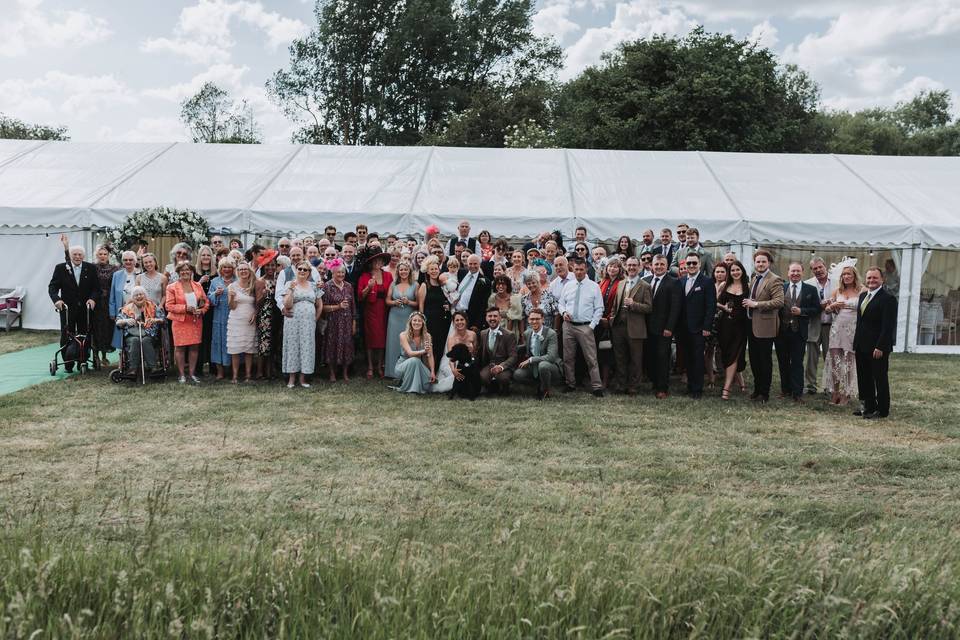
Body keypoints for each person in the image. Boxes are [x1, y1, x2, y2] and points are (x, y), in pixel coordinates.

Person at [853, 267, 898, 419]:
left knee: (879, 378)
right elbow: (861, 322)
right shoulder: (863, 296)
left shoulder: (888, 299)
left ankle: (882, 410)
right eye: (869, 278)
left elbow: (888, 326)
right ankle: (869, 407)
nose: (871, 280)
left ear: (882, 280)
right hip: (861, 345)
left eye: (875, 278)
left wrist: (880, 346)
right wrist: (856, 343)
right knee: (864, 377)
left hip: (877, 347)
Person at [558, 257, 604, 397]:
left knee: (591, 358)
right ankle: (570, 383)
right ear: (573, 269)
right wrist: (564, 312)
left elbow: (599, 308)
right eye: (576, 269)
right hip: (568, 326)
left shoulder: (594, 286)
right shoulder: (568, 285)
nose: (578, 272)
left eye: (581, 269)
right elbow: (561, 303)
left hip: (585, 326)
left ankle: (596, 386)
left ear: (586, 269)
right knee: (568, 357)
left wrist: (592, 326)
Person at [775, 262, 820, 402]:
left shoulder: (810, 290)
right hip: (781, 331)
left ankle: (797, 392)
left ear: (802, 272)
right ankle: (785, 390)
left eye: (798, 271)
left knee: (797, 362)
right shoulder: (781, 288)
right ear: (788, 273)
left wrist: (802, 311)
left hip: (799, 332)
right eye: (792, 271)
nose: (795, 273)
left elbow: (816, 309)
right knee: (783, 362)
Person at [48, 244, 98, 371]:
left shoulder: (90, 268)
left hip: (85, 309)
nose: (77, 256)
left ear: (84, 256)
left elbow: (96, 288)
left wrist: (92, 298)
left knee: (85, 333)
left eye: (80, 254)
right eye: (74, 254)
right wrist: (57, 300)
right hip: (67, 308)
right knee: (67, 333)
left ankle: (83, 360)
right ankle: (68, 363)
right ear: (70, 255)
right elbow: (52, 287)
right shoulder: (61, 268)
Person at [743, 250, 783, 403]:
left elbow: (779, 302)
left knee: (764, 361)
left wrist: (756, 304)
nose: (760, 264)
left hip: (766, 327)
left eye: (763, 262)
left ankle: (764, 393)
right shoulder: (754, 278)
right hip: (752, 325)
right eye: (758, 262)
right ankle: (757, 389)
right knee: (754, 360)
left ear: (769, 263)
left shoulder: (774, 279)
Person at [610, 256, 652, 395]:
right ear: (625, 267)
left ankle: (634, 386)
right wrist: (612, 318)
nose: (632, 268)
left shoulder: (645, 286)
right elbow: (615, 304)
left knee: (636, 359)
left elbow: (649, 308)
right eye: (629, 265)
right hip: (619, 327)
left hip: (636, 328)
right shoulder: (621, 283)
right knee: (620, 358)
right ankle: (621, 385)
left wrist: (634, 305)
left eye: (634, 265)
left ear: (639, 267)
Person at [824, 263, 862, 406]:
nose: (846, 277)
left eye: (849, 274)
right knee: (835, 361)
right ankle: (835, 392)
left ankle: (847, 393)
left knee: (849, 362)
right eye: (844, 275)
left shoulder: (861, 290)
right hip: (837, 329)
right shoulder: (837, 291)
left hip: (852, 329)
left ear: (854, 276)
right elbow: (827, 310)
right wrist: (832, 306)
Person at [678, 253, 716, 399]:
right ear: (685, 265)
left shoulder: (706, 282)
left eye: (694, 263)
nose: (692, 266)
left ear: (699, 264)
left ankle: (697, 389)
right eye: (689, 264)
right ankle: (690, 386)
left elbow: (711, 306)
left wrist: (707, 327)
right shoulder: (681, 281)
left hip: (699, 328)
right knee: (687, 358)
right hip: (683, 328)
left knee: (698, 359)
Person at [165, 262, 208, 383]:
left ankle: (192, 373)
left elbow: (206, 302)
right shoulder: (171, 287)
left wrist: (202, 310)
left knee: (194, 348)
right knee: (180, 348)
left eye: (188, 270)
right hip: (180, 321)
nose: (185, 272)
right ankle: (181, 375)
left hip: (195, 321)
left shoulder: (198, 286)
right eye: (182, 270)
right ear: (178, 272)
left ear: (192, 272)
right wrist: (185, 308)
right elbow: (168, 306)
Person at [282, 261, 322, 388]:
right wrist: (291, 290)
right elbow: (287, 304)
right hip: (292, 321)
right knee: (293, 346)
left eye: (305, 270)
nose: (302, 271)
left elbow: (319, 305)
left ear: (309, 273)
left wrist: (315, 319)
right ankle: (291, 379)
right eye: (300, 269)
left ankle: (303, 378)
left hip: (309, 323)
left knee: (307, 347)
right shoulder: (290, 284)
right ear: (296, 270)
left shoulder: (314, 286)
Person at [646, 255, 681, 399]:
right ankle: (654, 382)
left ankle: (662, 388)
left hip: (664, 329)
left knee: (662, 357)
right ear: (652, 266)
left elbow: (675, 308)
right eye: (656, 264)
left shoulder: (673, 282)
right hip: (647, 328)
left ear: (667, 266)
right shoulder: (646, 281)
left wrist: (670, 328)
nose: (659, 267)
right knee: (651, 357)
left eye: (662, 264)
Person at [716, 260, 750, 400]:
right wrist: (724, 308)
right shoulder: (724, 285)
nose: (735, 272)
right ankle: (741, 383)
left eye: (738, 270)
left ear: (742, 271)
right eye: (733, 270)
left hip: (741, 326)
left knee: (734, 355)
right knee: (727, 354)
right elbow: (716, 302)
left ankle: (726, 388)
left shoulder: (748, 286)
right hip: (725, 325)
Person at [115, 286, 166, 377]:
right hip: (132, 334)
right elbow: (118, 322)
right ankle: (133, 369)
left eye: (141, 294)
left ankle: (153, 368)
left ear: (145, 296)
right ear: (132, 298)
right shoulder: (127, 308)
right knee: (135, 340)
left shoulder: (153, 306)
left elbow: (163, 319)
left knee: (145, 340)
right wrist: (126, 321)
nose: (139, 296)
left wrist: (156, 320)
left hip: (149, 334)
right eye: (136, 295)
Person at [358, 249, 393, 379]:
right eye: (376, 260)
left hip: (385, 310)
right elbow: (360, 297)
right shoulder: (365, 276)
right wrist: (368, 286)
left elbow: (392, 291)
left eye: (380, 260)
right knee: (371, 338)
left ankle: (380, 366)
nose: (378, 262)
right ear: (371, 262)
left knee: (383, 338)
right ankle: (370, 367)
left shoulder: (388, 275)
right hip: (371, 310)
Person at [514, 308, 562, 399]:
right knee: (518, 374)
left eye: (537, 319)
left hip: (551, 366)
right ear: (528, 320)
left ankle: (545, 391)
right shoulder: (527, 333)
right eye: (532, 319)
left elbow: (551, 357)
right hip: (534, 367)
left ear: (543, 319)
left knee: (543, 365)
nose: (534, 321)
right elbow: (525, 347)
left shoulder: (551, 334)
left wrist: (531, 360)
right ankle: (539, 385)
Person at [320, 261, 357, 382]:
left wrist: (354, 323)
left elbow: (353, 306)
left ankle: (345, 372)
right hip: (333, 321)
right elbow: (323, 307)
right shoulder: (327, 286)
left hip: (347, 321)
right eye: (338, 272)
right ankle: (332, 373)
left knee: (347, 345)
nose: (341, 274)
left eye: (343, 272)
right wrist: (338, 306)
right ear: (332, 273)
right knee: (332, 345)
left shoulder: (348, 286)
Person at [417, 256, 451, 378]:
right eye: (431, 269)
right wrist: (422, 324)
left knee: (440, 348)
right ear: (427, 270)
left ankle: (436, 374)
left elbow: (449, 300)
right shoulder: (424, 286)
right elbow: (420, 307)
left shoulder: (443, 285)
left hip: (443, 321)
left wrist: (448, 307)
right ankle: (426, 375)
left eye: (436, 269)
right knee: (429, 349)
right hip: (429, 322)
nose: (434, 271)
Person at [804, 257, 834, 394]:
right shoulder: (808, 284)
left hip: (831, 325)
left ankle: (830, 387)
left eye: (820, 267)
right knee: (811, 358)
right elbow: (804, 306)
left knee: (830, 358)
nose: (818, 270)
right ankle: (810, 385)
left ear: (825, 266)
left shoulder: (837, 281)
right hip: (813, 324)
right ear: (811, 270)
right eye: (815, 268)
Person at [384, 261, 419, 378]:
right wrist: (394, 302)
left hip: (408, 317)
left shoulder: (415, 285)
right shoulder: (393, 284)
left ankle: (407, 372)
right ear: (398, 271)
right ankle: (391, 372)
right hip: (394, 316)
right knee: (393, 342)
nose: (403, 272)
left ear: (409, 271)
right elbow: (387, 300)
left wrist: (408, 302)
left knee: (408, 343)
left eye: (406, 269)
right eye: (401, 270)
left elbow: (418, 303)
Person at [227, 262, 258, 383]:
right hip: (236, 319)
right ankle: (235, 376)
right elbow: (232, 306)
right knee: (235, 348)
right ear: (237, 272)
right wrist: (231, 298)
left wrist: (255, 314)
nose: (243, 271)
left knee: (249, 349)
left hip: (250, 319)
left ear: (249, 271)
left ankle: (248, 375)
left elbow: (258, 303)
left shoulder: (254, 285)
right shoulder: (232, 286)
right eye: (240, 270)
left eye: (245, 269)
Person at [597, 258, 625, 389]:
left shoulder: (622, 283)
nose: (612, 269)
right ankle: (604, 379)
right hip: (600, 321)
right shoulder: (603, 281)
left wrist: (608, 319)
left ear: (620, 269)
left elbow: (619, 305)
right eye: (610, 266)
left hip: (614, 323)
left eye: (615, 267)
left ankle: (613, 380)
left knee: (615, 353)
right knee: (603, 351)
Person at [392, 312, 436, 394]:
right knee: (414, 360)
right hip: (402, 366)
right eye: (414, 320)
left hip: (418, 365)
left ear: (423, 323)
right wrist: (424, 351)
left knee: (429, 384)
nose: (417, 322)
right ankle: (412, 389)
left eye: (419, 321)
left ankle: (414, 384)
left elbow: (430, 356)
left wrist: (433, 371)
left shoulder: (427, 336)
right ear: (410, 322)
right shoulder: (403, 335)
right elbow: (410, 353)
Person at [477, 307, 517, 396]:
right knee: (482, 377)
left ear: (500, 318)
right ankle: (492, 387)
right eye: (490, 316)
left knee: (503, 378)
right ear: (486, 318)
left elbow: (513, 356)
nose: (492, 319)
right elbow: (480, 353)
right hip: (489, 365)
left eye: (495, 316)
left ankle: (505, 388)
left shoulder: (509, 334)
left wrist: (501, 367)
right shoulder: (483, 333)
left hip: (504, 365)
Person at [208, 257, 236, 380]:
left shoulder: (237, 280)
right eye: (224, 267)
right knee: (218, 342)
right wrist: (215, 294)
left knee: (232, 342)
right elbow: (209, 298)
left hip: (234, 315)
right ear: (220, 268)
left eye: (229, 267)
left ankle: (231, 370)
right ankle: (220, 372)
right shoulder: (215, 281)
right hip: (219, 316)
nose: (227, 269)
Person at [254, 252, 279, 380]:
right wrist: (263, 295)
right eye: (268, 266)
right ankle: (259, 371)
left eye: (273, 265)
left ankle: (270, 371)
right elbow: (256, 302)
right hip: (265, 314)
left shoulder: (277, 280)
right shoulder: (260, 281)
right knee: (263, 343)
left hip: (276, 314)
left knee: (273, 342)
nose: (270, 268)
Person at [109, 250, 140, 353]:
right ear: (122, 261)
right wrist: (112, 312)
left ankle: (135, 356)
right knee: (121, 334)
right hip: (121, 309)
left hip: (137, 310)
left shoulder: (139, 274)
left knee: (135, 334)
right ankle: (123, 357)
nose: (128, 262)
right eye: (125, 260)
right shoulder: (117, 275)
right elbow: (112, 295)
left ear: (135, 261)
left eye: (131, 260)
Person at [193, 245, 217, 376]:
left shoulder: (216, 273)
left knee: (211, 337)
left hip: (213, 309)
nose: (206, 257)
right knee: (199, 339)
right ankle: (198, 367)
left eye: (208, 255)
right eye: (203, 255)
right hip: (198, 309)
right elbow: (190, 290)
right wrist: (199, 282)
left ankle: (213, 367)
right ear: (199, 257)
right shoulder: (195, 273)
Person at [704, 263, 729, 389]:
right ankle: (711, 378)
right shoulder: (709, 285)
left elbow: (714, 302)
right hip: (711, 322)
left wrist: (719, 305)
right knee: (709, 350)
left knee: (723, 351)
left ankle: (725, 376)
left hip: (724, 322)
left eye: (722, 272)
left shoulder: (728, 286)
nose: (719, 274)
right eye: (717, 272)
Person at [456, 254, 491, 332]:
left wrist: (477, 324)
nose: (472, 266)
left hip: (471, 318)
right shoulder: (461, 273)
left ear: (479, 264)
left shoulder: (485, 281)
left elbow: (484, 305)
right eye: (470, 264)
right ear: (467, 264)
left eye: (475, 264)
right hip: (456, 314)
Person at [487, 274, 524, 347]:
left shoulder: (514, 299)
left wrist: (521, 337)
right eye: (498, 284)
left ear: (507, 286)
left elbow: (516, 318)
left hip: (511, 330)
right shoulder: (492, 298)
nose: (500, 286)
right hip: (495, 330)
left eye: (503, 284)